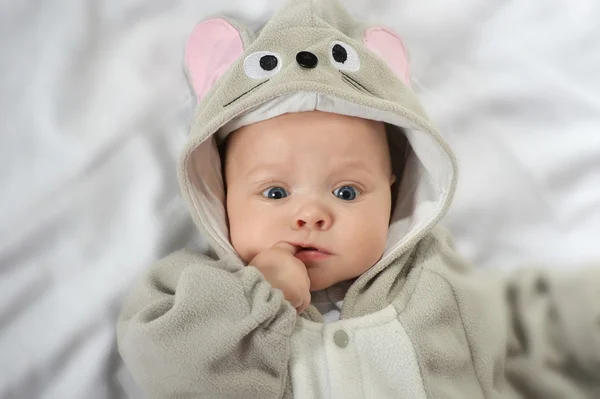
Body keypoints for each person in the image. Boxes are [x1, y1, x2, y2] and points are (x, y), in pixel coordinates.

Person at [117, 0, 600, 398]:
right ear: (219, 192)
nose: (310, 215)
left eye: (346, 192)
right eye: (275, 192)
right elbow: (160, 362)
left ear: (396, 186)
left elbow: (530, 325)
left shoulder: (435, 281)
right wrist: (257, 296)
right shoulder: (191, 291)